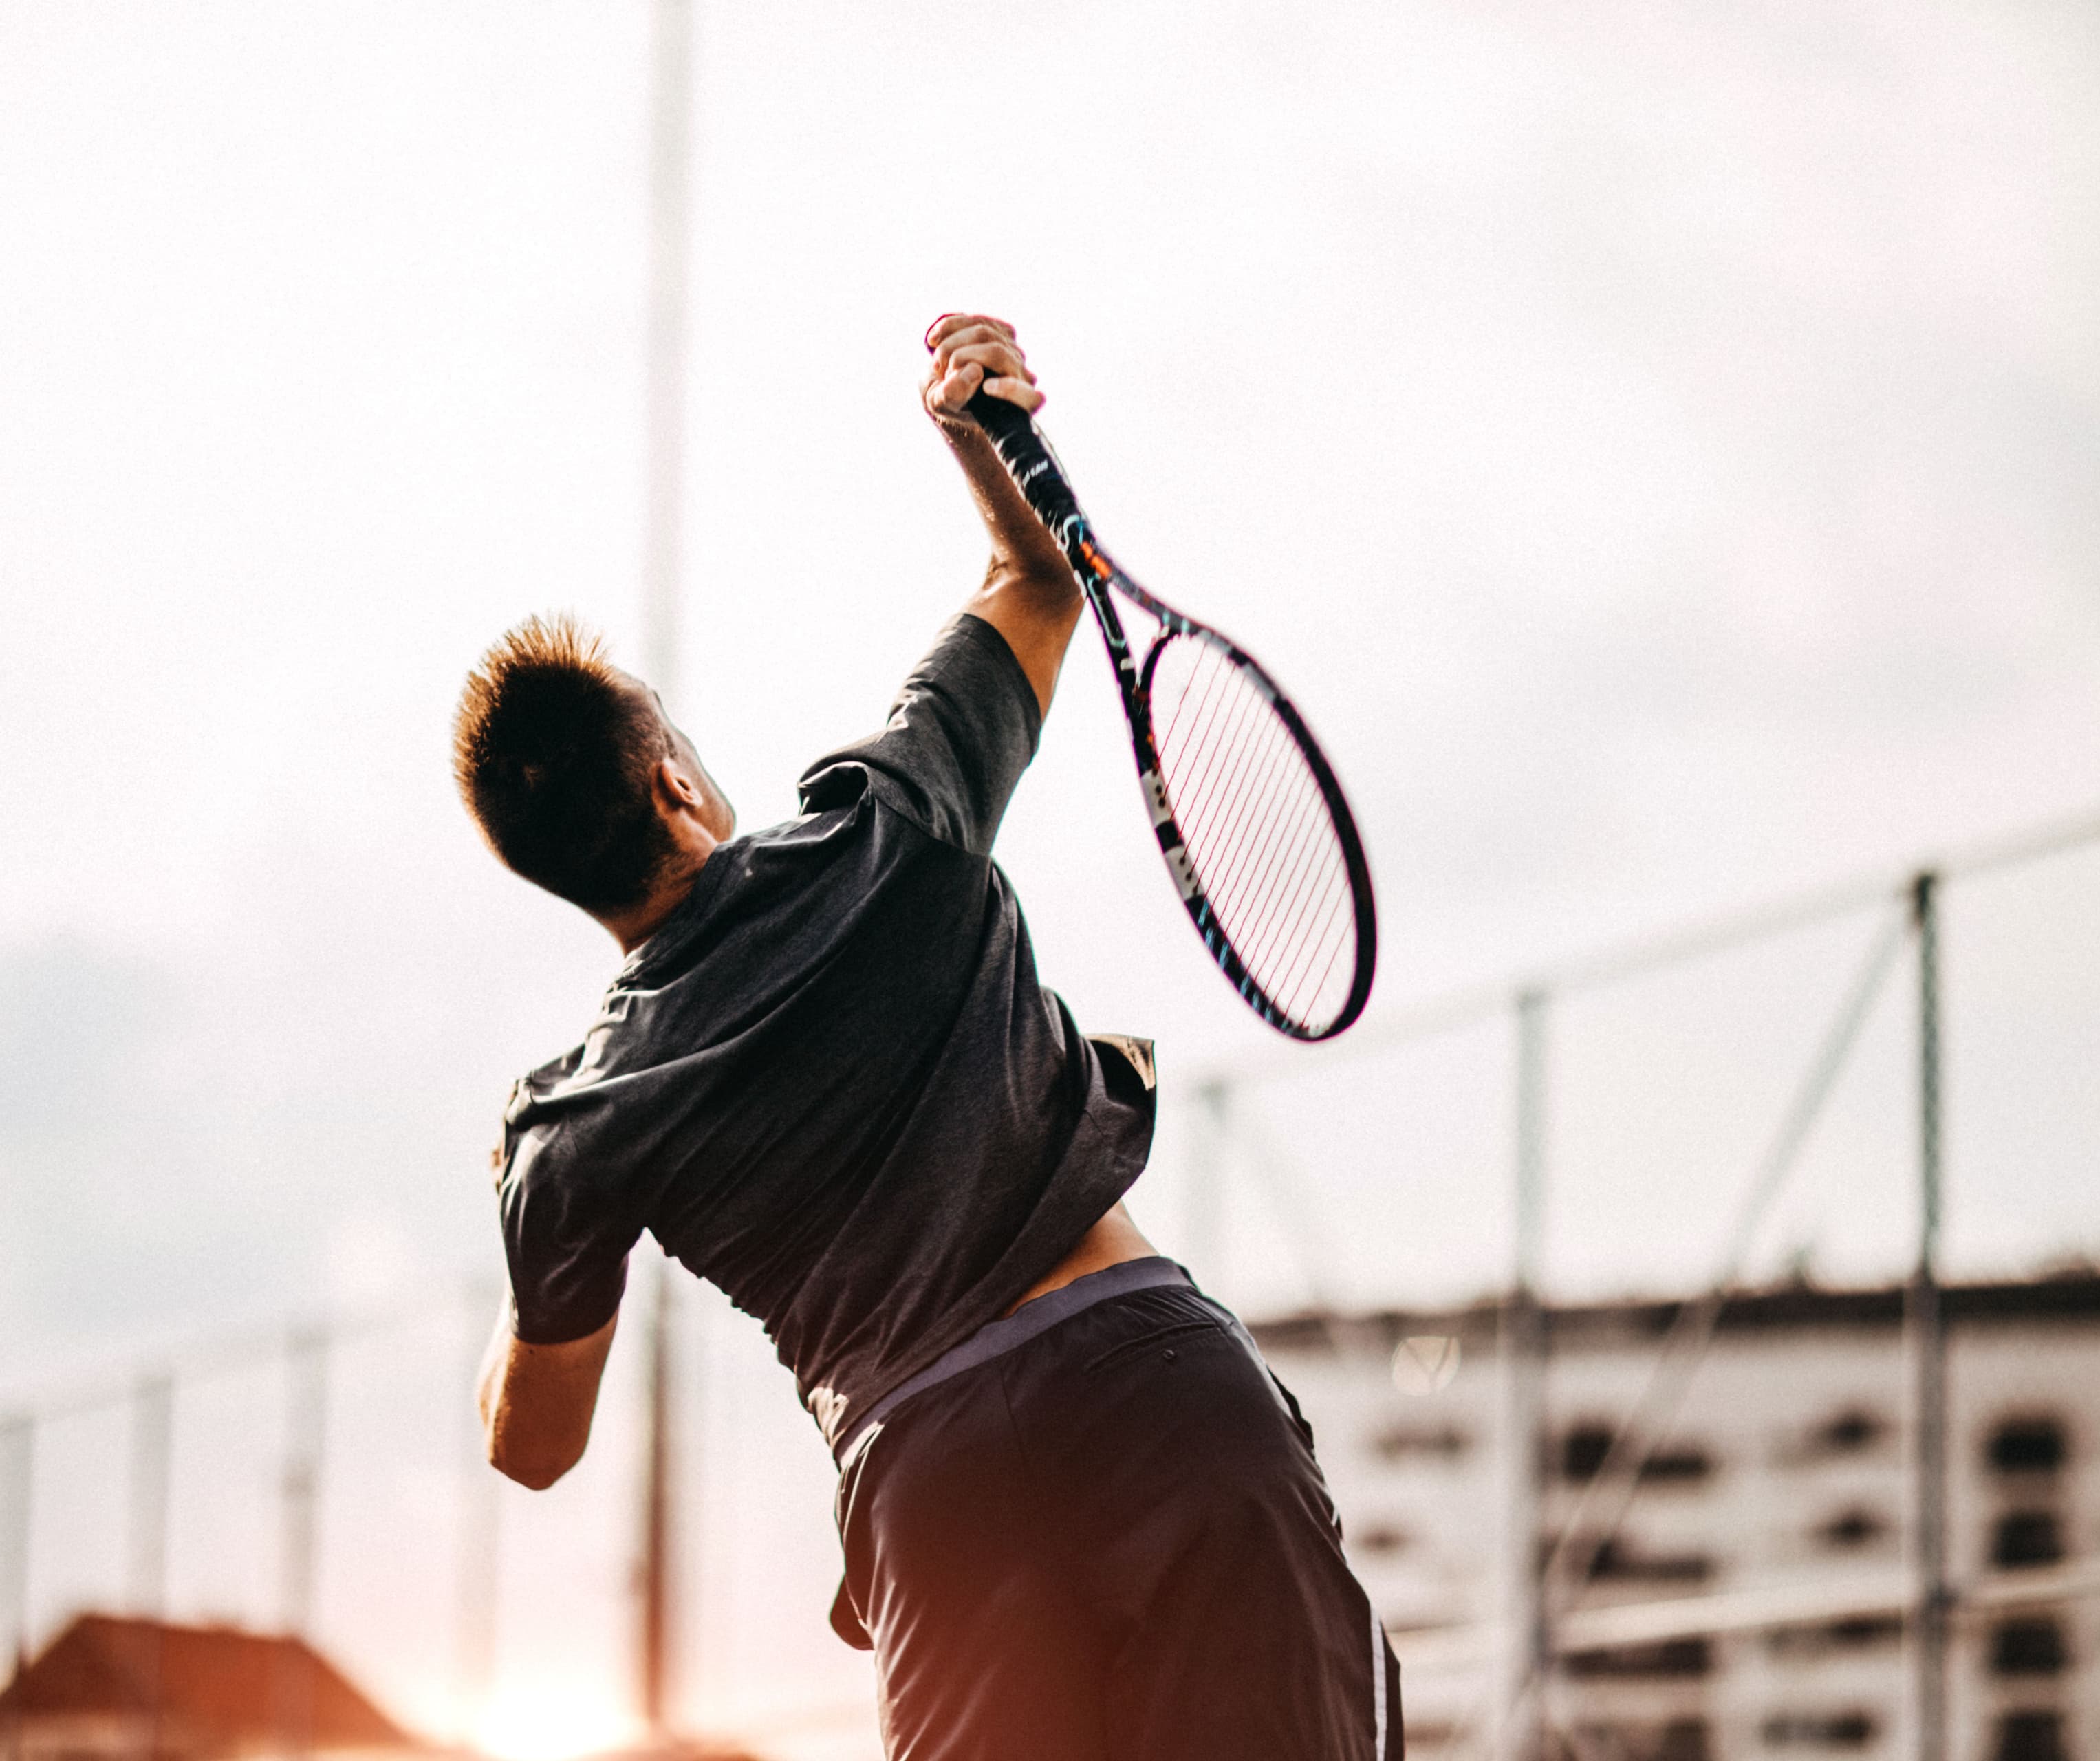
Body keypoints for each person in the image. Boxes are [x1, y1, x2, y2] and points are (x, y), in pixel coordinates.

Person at [456, 314, 1400, 1760]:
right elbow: (1038, 574)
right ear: (671, 786)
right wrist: (977, 431)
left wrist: (525, 1204)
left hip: (939, 1487)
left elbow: (532, 1445)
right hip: (1154, 1388)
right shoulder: (888, 817)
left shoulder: (578, 1125)